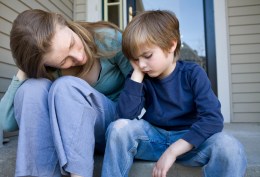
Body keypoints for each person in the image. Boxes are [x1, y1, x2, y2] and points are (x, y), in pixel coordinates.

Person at [101, 10, 247, 177]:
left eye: (147, 55)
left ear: (171, 45)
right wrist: (136, 76)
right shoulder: (140, 77)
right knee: (117, 128)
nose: (141, 64)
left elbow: (213, 120)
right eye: (135, 59)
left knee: (230, 146)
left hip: (190, 142)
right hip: (153, 140)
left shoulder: (193, 73)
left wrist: (173, 151)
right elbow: (124, 117)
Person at [0, 9, 132, 177]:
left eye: (71, 43)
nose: (78, 57)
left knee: (66, 86)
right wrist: (24, 70)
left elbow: (143, 88)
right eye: (64, 61)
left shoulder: (107, 39)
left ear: (63, 22)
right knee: (31, 88)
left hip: (113, 127)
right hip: (68, 139)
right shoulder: (48, 71)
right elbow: (7, 123)